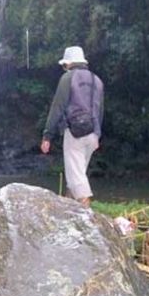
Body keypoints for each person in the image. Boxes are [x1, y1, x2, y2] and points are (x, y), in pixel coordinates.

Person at [40, 46, 104, 207]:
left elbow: (57, 107)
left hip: (75, 132)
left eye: (64, 65)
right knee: (76, 174)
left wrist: (47, 135)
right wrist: (97, 134)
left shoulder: (68, 78)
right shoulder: (97, 80)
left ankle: (86, 214)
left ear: (68, 64)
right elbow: (99, 110)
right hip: (92, 134)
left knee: (77, 177)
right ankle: (68, 207)